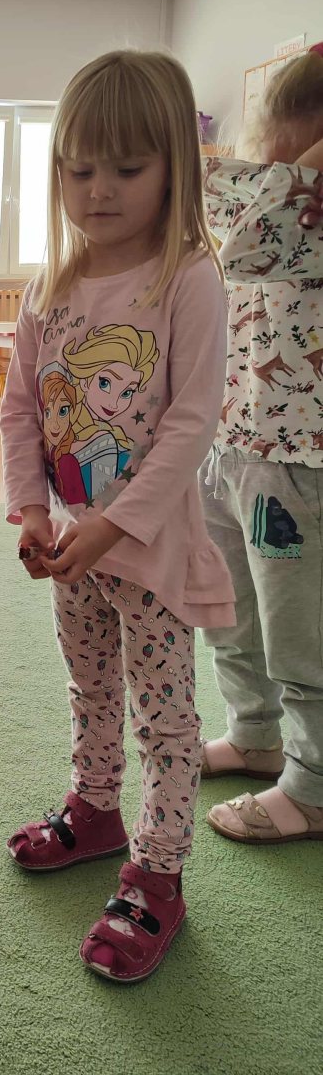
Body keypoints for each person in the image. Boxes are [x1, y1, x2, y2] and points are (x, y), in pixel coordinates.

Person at [0, 50, 234, 983]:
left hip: (152, 551)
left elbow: (191, 422)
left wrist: (112, 524)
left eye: (126, 169)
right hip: (72, 549)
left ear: (173, 166)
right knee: (89, 686)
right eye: (78, 168)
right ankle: (95, 809)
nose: (97, 190)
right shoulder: (50, 285)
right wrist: (32, 509)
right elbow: (21, 409)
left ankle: (158, 873)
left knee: (164, 719)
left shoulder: (188, 278)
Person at [200, 43, 323, 847]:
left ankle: (312, 788)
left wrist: (305, 171)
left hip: (296, 461)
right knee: (228, 611)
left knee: (297, 633)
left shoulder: (296, 210)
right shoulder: (260, 192)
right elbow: (224, 218)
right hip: (232, 441)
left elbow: (249, 243)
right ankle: (253, 735)